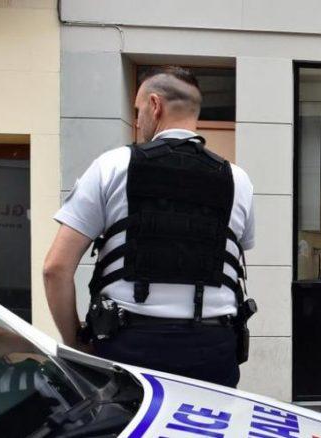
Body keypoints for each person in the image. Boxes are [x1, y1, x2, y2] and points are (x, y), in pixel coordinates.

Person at [43, 66, 256, 388]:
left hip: (129, 346)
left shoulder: (111, 166)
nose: (137, 120)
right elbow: (238, 248)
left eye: (138, 110)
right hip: (213, 348)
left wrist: (75, 342)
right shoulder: (238, 180)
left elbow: (55, 269)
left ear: (155, 105)